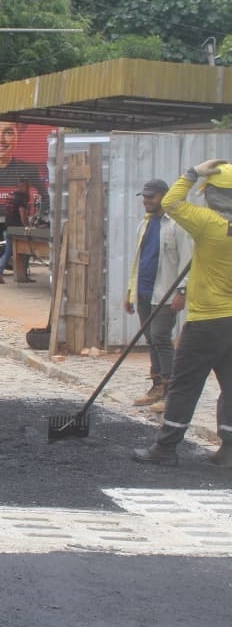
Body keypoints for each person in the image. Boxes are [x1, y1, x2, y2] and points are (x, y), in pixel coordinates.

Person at [133, 159, 232, 467]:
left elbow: (172, 201)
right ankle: (229, 450)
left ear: (214, 195)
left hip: (207, 320)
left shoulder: (209, 225)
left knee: (184, 384)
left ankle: (165, 448)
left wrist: (192, 174)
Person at [123, 179, 192, 415]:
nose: (146, 201)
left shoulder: (176, 225)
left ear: (164, 196)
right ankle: (157, 386)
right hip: (144, 291)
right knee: (151, 339)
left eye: (150, 197)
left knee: (161, 337)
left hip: (165, 292)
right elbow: (138, 261)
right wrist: (131, 291)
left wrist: (182, 291)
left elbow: (186, 261)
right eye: (144, 197)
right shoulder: (145, 224)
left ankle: (172, 392)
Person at [0, 120, 48, 220]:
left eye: (8, 132)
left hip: (18, 226)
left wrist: (36, 219)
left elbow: (46, 200)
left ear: (17, 138)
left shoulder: (29, 170)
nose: (0, 139)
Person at [0, 177, 32, 284]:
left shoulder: (10, 195)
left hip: (8, 227)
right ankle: (23, 275)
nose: (28, 189)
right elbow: (22, 216)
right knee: (27, 250)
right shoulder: (21, 199)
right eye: (27, 186)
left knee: (8, 251)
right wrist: (27, 226)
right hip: (18, 229)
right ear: (23, 186)